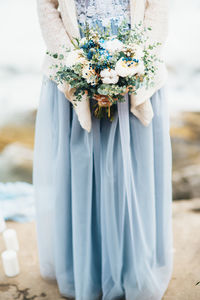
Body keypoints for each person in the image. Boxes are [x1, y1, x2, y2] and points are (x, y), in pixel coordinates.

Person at [33, 0, 172, 299]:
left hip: (136, 77)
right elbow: (47, 6)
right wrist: (78, 67)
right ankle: (87, 270)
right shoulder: (75, 70)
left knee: (131, 176)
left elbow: (158, 6)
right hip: (75, 77)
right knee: (83, 173)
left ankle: (132, 268)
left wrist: (135, 63)